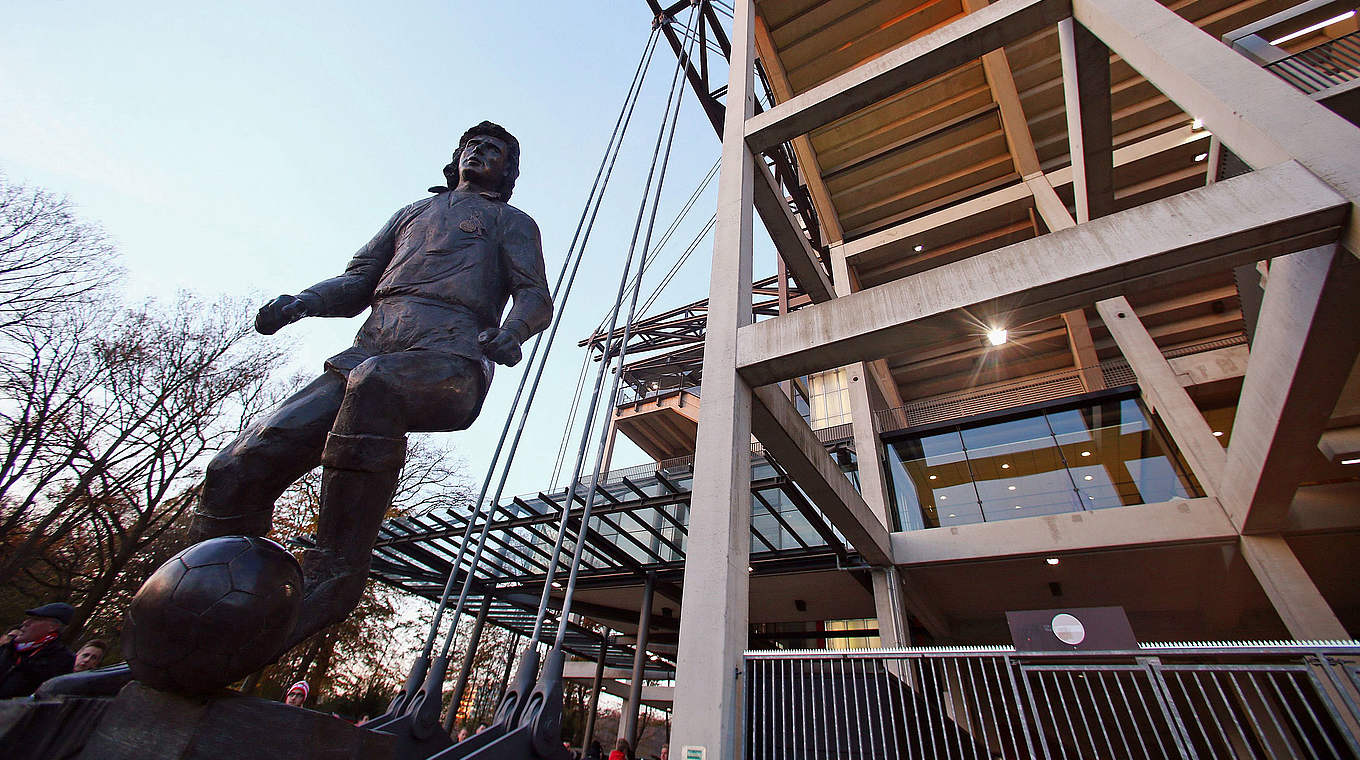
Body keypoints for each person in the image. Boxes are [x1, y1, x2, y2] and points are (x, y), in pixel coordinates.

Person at [187, 120, 553, 654]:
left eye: (494, 150)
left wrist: (513, 331)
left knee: (376, 385)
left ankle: (334, 569)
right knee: (234, 467)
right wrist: (302, 301)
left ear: (509, 171)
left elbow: (534, 294)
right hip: (369, 350)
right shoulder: (412, 214)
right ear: (455, 157)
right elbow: (358, 281)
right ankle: (196, 615)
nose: (479, 152)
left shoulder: (511, 222)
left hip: (450, 359)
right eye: (471, 145)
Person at [0, 603, 76, 698]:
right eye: (28, 618)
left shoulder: (61, 659)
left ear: (52, 627)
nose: (25, 623)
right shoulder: (7, 648)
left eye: (35, 619)